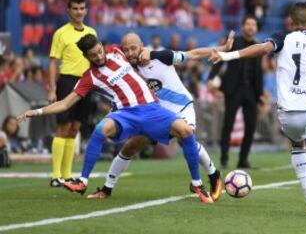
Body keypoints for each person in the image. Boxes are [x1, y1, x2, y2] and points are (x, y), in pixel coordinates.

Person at [17, 34, 213, 203]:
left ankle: (197, 184)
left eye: (100, 51)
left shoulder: (117, 52)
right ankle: (83, 182)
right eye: (93, 55)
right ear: (86, 57)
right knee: (100, 128)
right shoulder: (90, 77)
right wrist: (38, 111)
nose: (99, 56)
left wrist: (146, 51)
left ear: (103, 47)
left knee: (186, 131)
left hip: (151, 109)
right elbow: (65, 103)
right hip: (124, 114)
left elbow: (135, 48)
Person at [209, 2, 306, 218]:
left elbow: (262, 49)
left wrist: (228, 55)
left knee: (298, 147)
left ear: (290, 22)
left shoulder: (282, 37)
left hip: (291, 111)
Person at [86, 31, 234, 201]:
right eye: (126, 50)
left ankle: (213, 175)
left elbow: (193, 54)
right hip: (155, 115)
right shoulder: (125, 67)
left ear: (142, 45)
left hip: (181, 107)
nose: (130, 53)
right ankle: (106, 188)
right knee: (131, 146)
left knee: (186, 138)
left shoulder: (161, 56)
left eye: (133, 48)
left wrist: (222, 48)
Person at [47, 0, 97, 187]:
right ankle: (55, 175)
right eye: (75, 8)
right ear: (69, 10)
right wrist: (52, 89)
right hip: (67, 81)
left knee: (75, 127)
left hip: (87, 81)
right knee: (63, 126)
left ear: (86, 10)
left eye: (81, 8)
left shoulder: (91, 32)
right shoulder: (60, 33)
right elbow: (53, 62)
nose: (78, 11)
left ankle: (67, 175)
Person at [208, 15, 263, 169]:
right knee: (228, 124)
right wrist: (211, 78)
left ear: (256, 28)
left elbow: (259, 72)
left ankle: (243, 160)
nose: (251, 27)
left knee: (251, 126)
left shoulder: (259, 45)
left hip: (252, 91)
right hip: (233, 89)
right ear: (242, 26)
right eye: (248, 24)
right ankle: (224, 158)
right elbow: (220, 59)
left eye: (253, 24)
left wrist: (261, 93)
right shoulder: (233, 42)